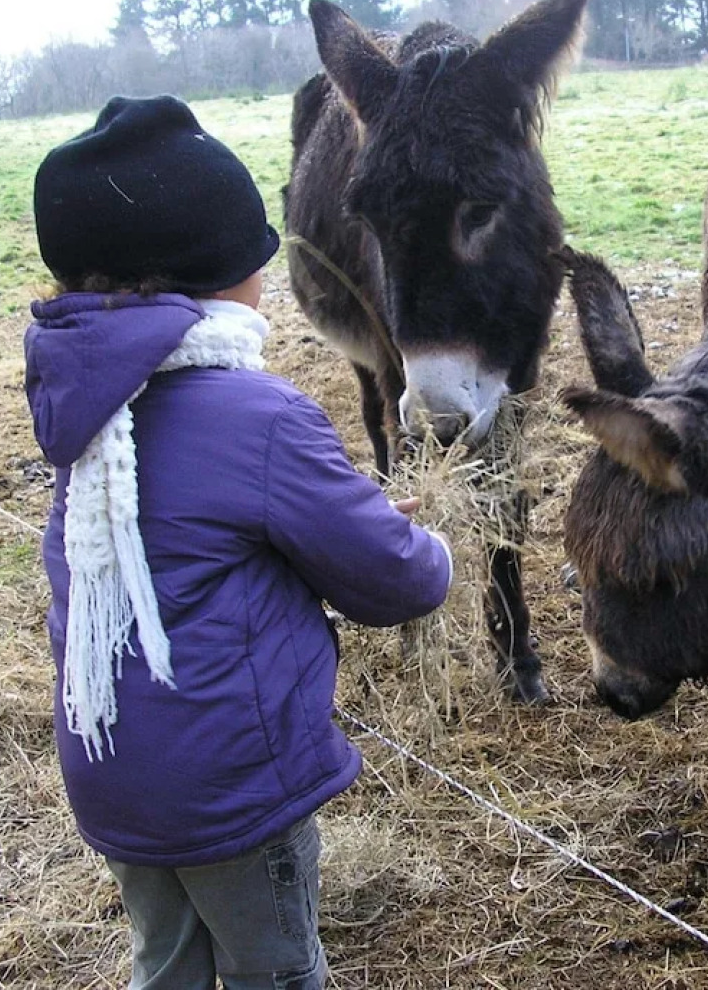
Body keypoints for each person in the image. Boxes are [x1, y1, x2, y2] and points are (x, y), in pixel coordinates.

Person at [24, 95, 453, 990]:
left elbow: (187, 534)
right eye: (256, 255)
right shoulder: (259, 414)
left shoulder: (82, 402)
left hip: (112, 773)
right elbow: (389, 578)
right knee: (277, 970)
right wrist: (430, 545)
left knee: (166, 966)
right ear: (216, 279)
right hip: (235, 791)